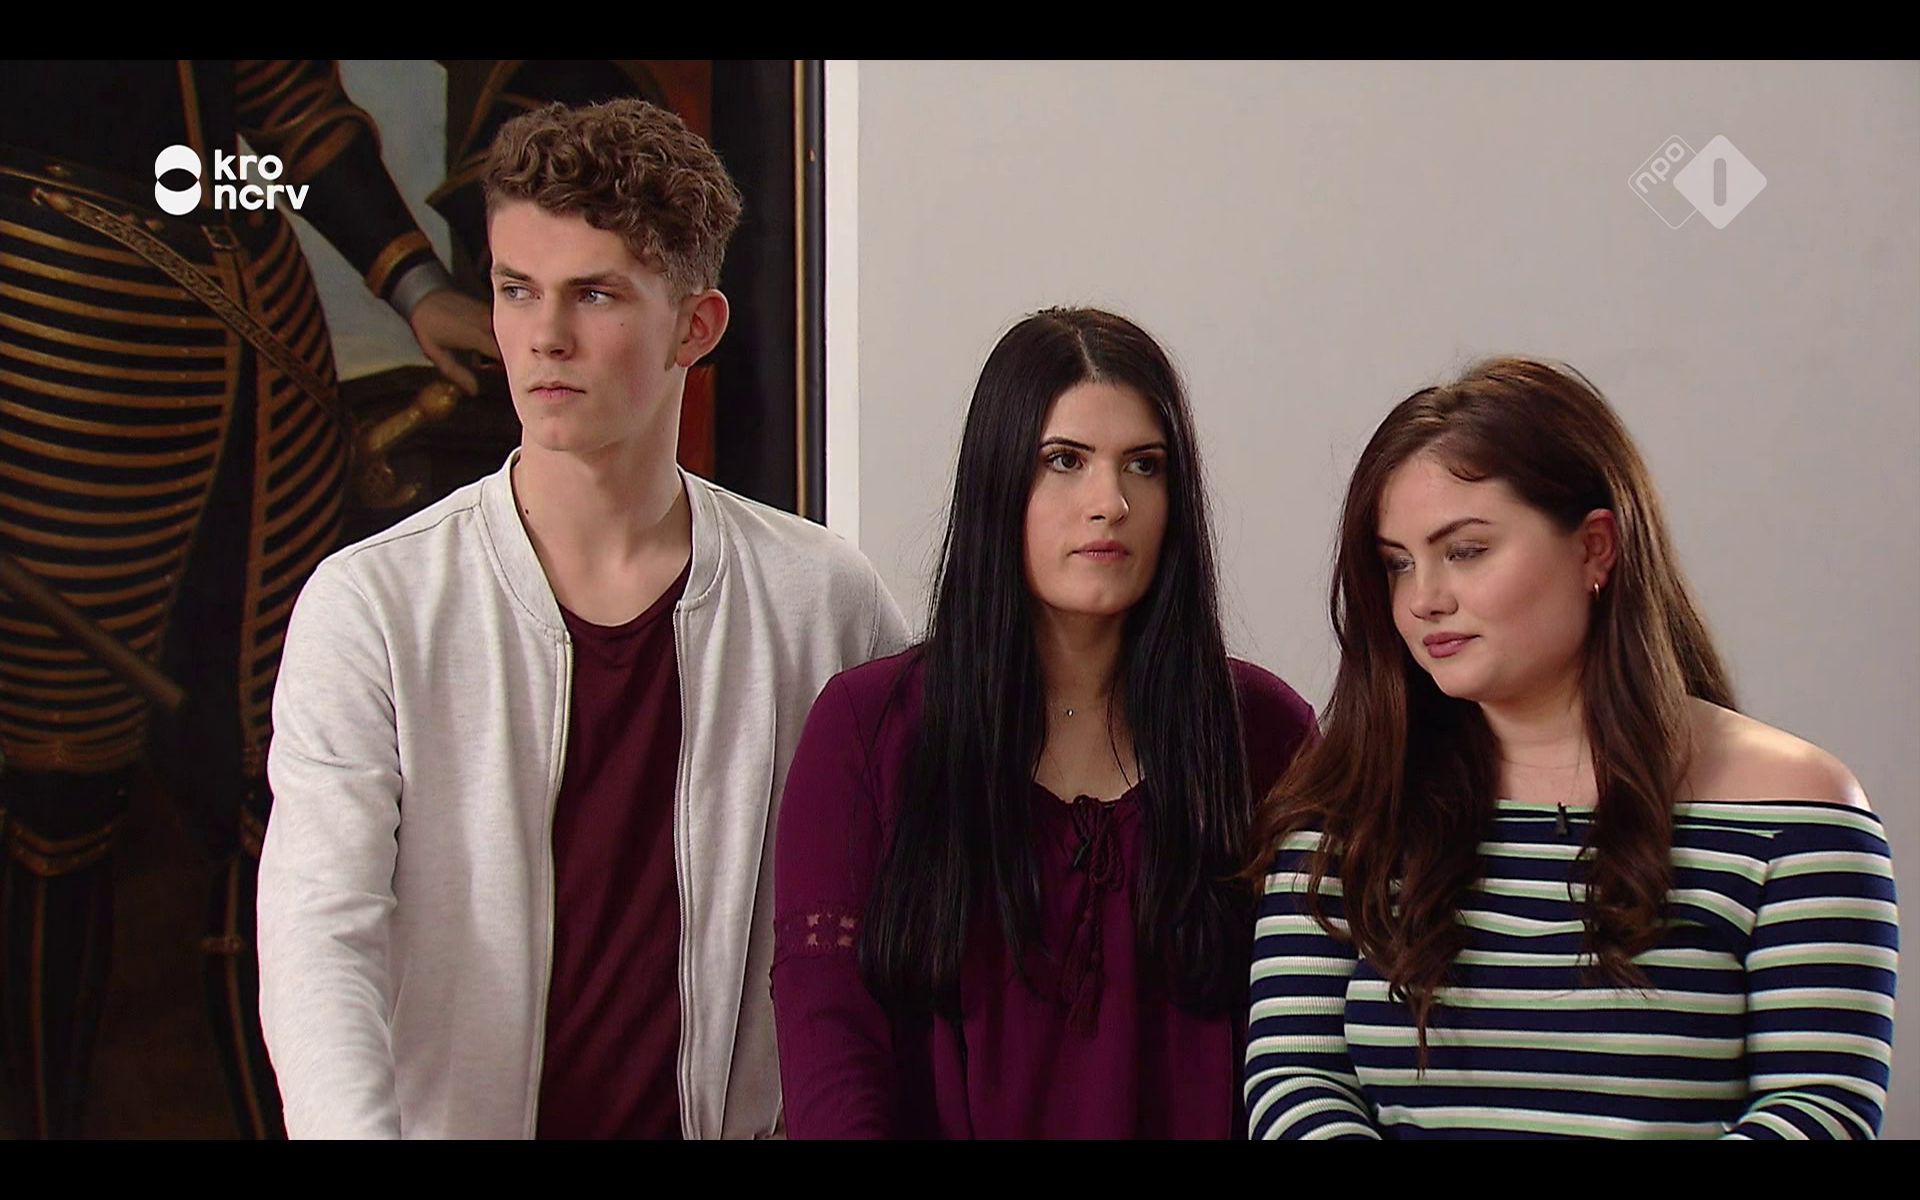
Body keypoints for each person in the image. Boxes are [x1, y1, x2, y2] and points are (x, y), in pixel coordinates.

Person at [257, 98, 909, 1139]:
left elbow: (906, 921)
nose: (545, 338)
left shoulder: (822, 601)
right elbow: (319, 933)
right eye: (516, 290)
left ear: (695, 327)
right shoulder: (375, 606)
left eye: (594, 295)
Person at [1245, 357, 1898, 1140]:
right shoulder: (1347, 809)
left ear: (1595, 548)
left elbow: (1820, 1110)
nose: (1424, 600)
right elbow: (1295, 1084)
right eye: (1397, 565)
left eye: (1466, 550)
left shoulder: (1796, 812)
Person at [772, 307, 1316, 1138]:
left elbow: (1308, 1046)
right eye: (1065, 461)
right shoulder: (866, 729)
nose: (1111, 502)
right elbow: (829, 1037)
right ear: (998, 482)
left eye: (1144, 465)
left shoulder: (1265, 735)